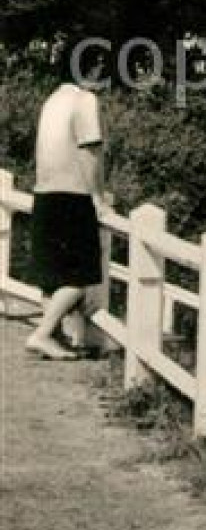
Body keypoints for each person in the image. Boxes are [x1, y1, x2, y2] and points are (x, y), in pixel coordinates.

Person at [25, 40, 110, 361]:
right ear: (91, 68)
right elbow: (90, 153)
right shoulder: (85, 100)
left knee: (52, 277)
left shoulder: (53, 100)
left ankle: (54, 336)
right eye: (101, 67)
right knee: (81, 275)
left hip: (44, 194)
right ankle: (43, 333)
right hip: (71, 196)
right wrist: (98, 196)